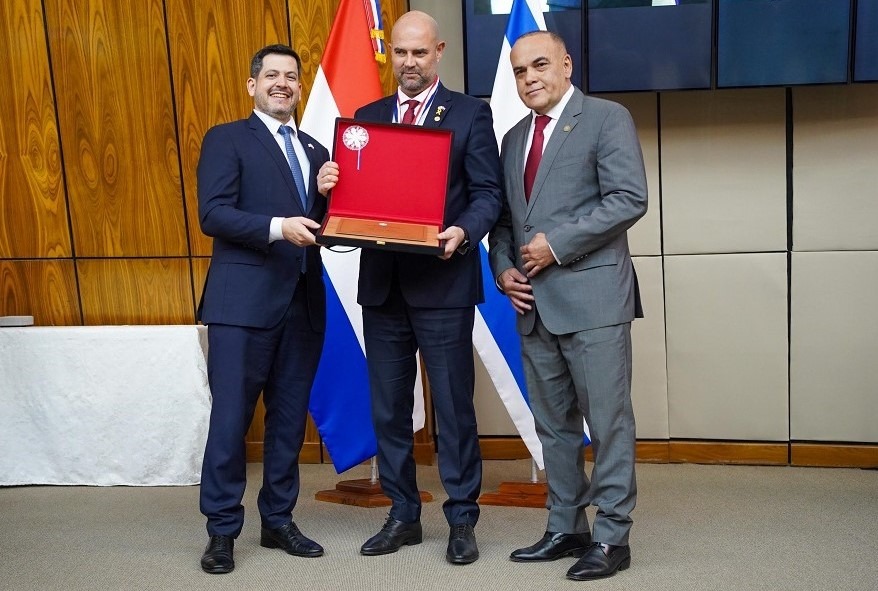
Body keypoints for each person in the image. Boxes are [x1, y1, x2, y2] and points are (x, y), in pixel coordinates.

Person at [317, 10, 503, 565]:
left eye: (419, 53)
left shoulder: (470, 113)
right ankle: (403, 514)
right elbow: (355, 203)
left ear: (438, 51)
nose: (409, 63)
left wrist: (464, 231)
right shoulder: (366, 119)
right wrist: (330, 185)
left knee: (453, 407)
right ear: (389, 53)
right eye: (400, 53)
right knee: (389, 409)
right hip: (384, 290)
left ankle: (462, 518)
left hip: (444, 283)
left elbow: (488, 194)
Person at [488, 31, 647, 581]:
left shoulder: (606, 118)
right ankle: (565, 526)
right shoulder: (511, 139)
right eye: (519, 70)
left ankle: (611, 537)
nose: (529, 77)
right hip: (532, 304)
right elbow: (505, 223)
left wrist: (555, 244)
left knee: (607, 424)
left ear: (566, 65)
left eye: (539, 65)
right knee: (553, 427)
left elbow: (629, 198)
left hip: (594, 300)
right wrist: (503, 267)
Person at [196, 44, 331, 574]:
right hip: (241, 305)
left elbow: (320, 228)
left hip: (302, 304)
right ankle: (222, 531)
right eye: (271, 75)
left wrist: (327, 199)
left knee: (288, 423)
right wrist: (278, 226)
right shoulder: (226, 138)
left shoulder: (319, 151)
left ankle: (277, 521)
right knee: (231, 421)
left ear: (300, 87)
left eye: (291, 77)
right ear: (252, 84)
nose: (282, 83)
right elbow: (214, 213)